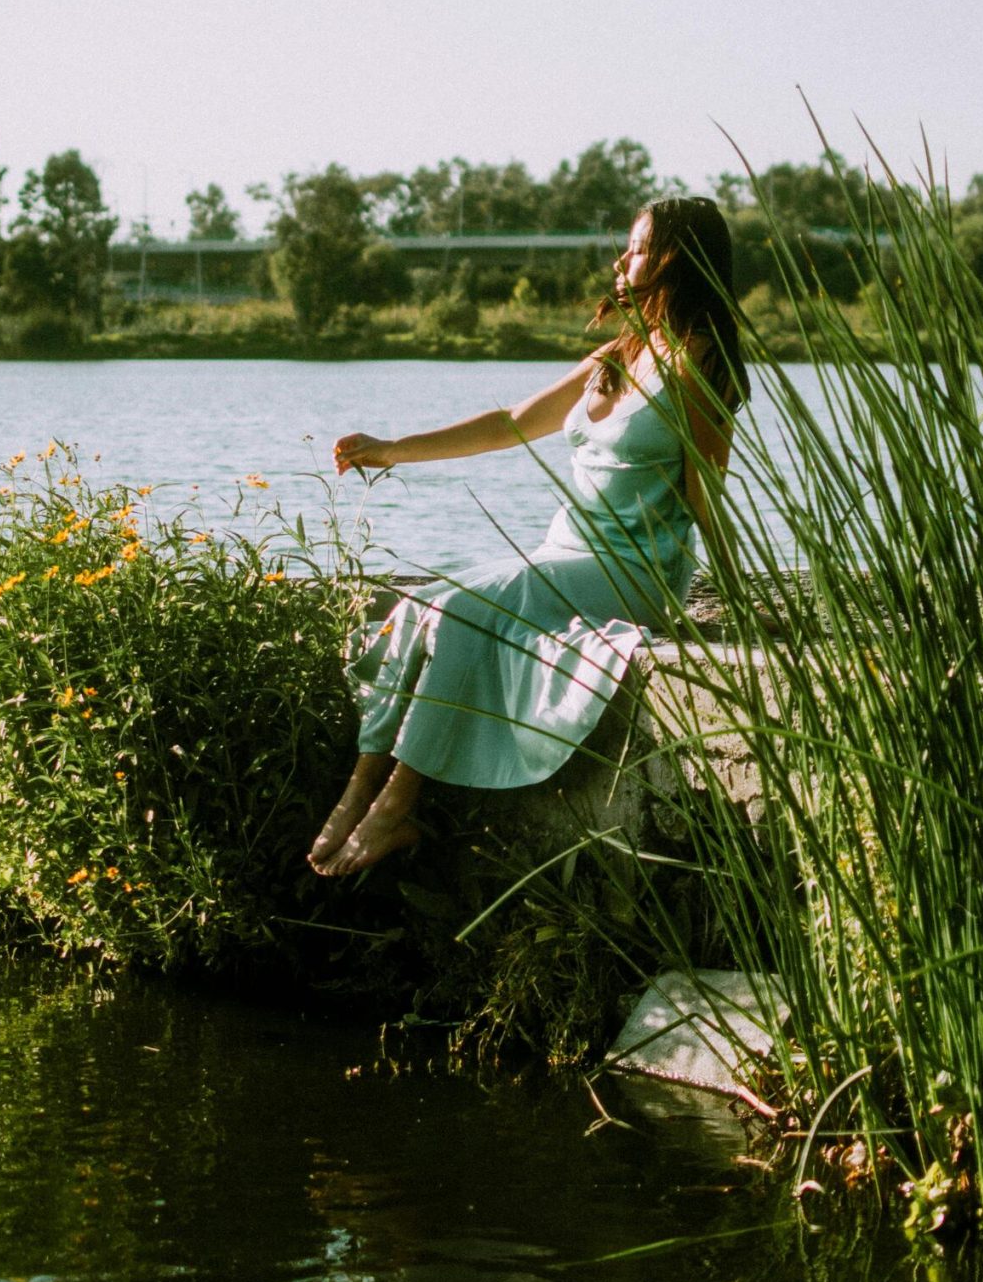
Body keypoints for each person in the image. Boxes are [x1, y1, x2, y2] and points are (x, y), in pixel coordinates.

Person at [309, 196, 746, 876]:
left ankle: (398, 804)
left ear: (672, 261)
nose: (619, 259)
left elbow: (704, 500)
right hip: (563, 555)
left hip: (633, 573)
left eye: (634, 247)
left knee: (460, 614)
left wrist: (740, 597)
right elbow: (510, 422)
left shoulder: (701, 367)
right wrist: (393, 449)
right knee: (423, 606)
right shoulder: (619, 353)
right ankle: (361, 785)